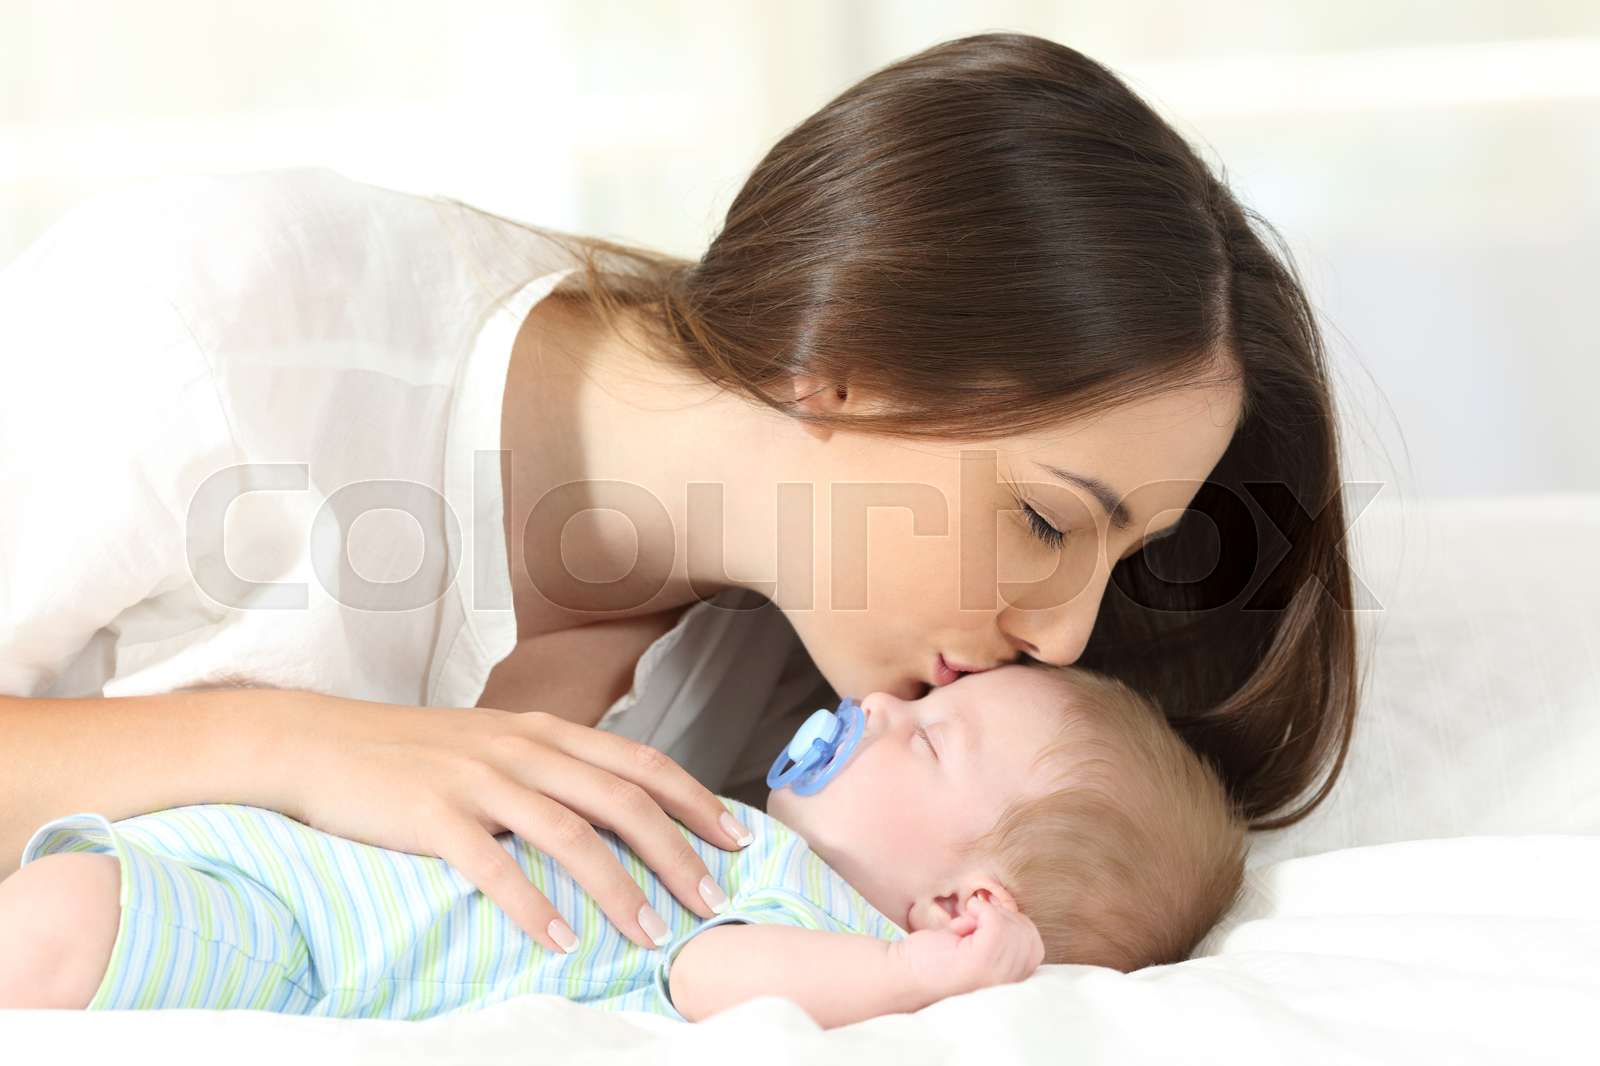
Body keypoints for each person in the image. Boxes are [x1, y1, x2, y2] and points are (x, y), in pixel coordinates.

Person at [0, 33, 1359, 960]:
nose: (1063, 635)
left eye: (1115, 559)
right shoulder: (222, 323)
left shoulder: (809, 724)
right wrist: (302, 746)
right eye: (1051, 520)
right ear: (852, 357)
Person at [0, 663, 1246, 1027]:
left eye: (922, 740)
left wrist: (905, 982)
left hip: (305, 937)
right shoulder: (741, 830)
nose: (875, 703)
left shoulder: (808, 924)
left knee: (51, 933)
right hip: (285, 855)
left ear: (961, 907)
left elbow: (703, 975)